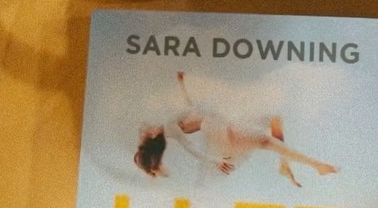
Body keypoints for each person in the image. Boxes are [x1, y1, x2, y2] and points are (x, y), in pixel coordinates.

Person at [134, 72, 338, 186]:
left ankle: (285, 165)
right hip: (222, 135)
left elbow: (190, 107)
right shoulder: (170, 128)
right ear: (153, 135)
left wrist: (182, 85)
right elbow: (190, 147)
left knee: (274, 120)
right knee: (266, 142)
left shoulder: (172, 122)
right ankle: (316, 165)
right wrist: (215, 161)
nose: (146, 128)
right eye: (146, 131)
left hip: (222, 128)